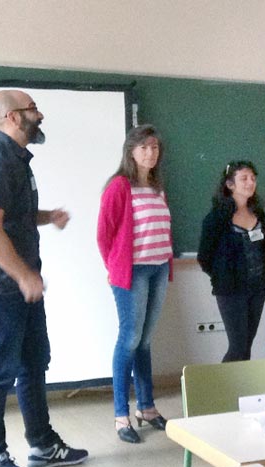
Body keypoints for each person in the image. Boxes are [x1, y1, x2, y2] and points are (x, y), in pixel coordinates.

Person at [0, 90, 87, 467]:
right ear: (14, 117)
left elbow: (8, 214)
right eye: (34, 109)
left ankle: (42, 445)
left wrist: (46, 216)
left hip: (18, 285)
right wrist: (22, 275)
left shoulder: (14, 160)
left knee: (34, 363)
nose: (40, 114)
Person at [97, 125, 173, 444]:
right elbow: (104, 235)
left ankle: (147, 408)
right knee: (129, 340)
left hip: (158, 269)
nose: (150, 153)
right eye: (143, 147)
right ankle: (120, 414)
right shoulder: (119, 186)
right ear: (131, 151)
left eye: (154, 147)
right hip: (132, 273)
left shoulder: (157, 187)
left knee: (144, 341)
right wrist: (114, 269)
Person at [197, 161, 265, 363]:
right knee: (237, 347)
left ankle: (241, 393)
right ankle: (221, 390)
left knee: (246, 346)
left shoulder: (258, 214)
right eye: (244, 178)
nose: (250, 183)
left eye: (253, 178)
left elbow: (263, 248)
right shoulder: (216, 218)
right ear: (230, 185)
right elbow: (204, 257)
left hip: (257, 287)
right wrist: (222, 277)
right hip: (230, 290)